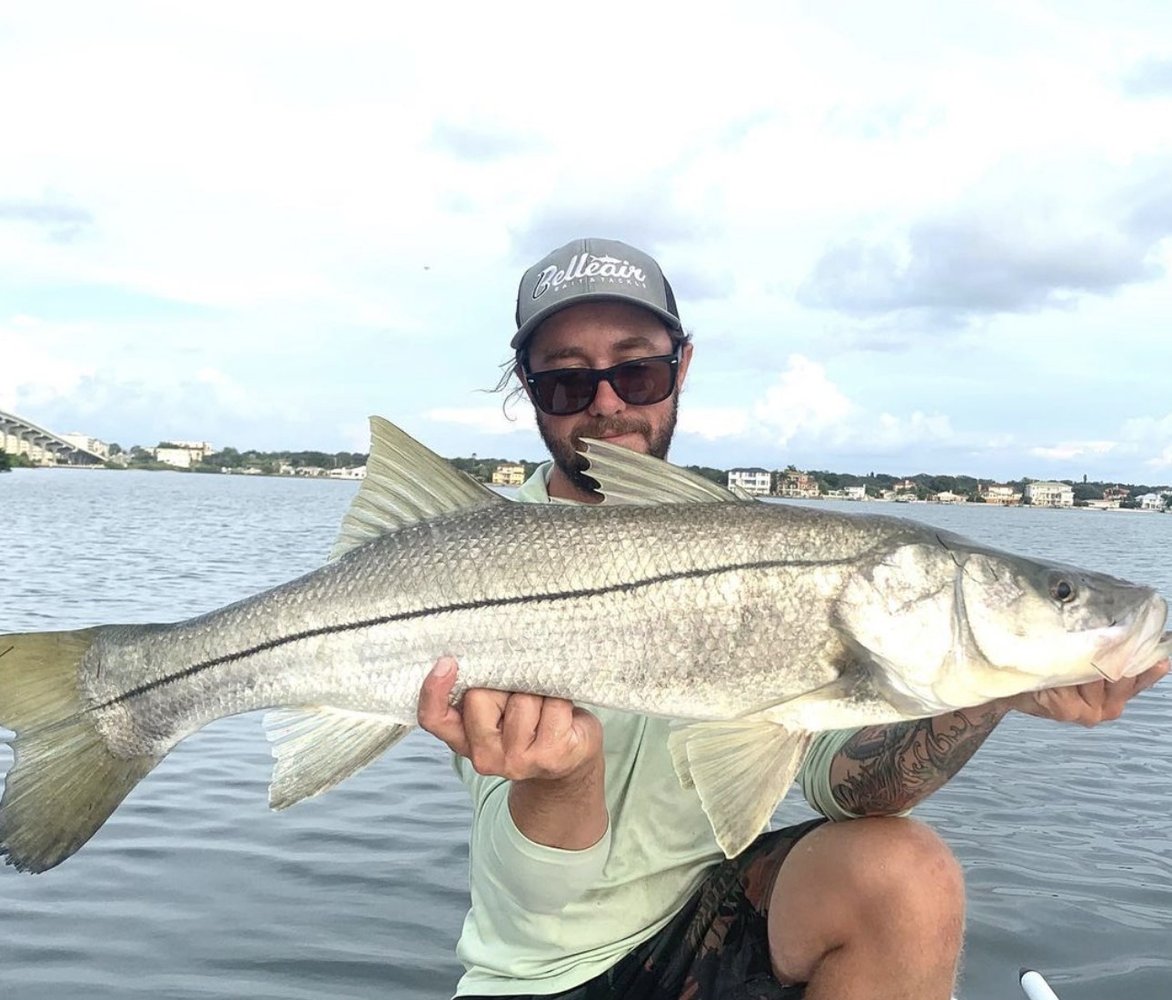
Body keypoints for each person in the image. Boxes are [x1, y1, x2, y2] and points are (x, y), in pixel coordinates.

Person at [417, 238, 1169, 1000]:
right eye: (567, 382)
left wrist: (997, 691)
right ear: (528, 387)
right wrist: (565, 778)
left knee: (903, 872)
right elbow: (542, 900)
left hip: (712, 922)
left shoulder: (760, 540)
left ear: (681, 367)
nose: (607, 402)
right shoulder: (479, 560)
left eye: (636, 369)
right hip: (543, 970)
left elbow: (851, 792)